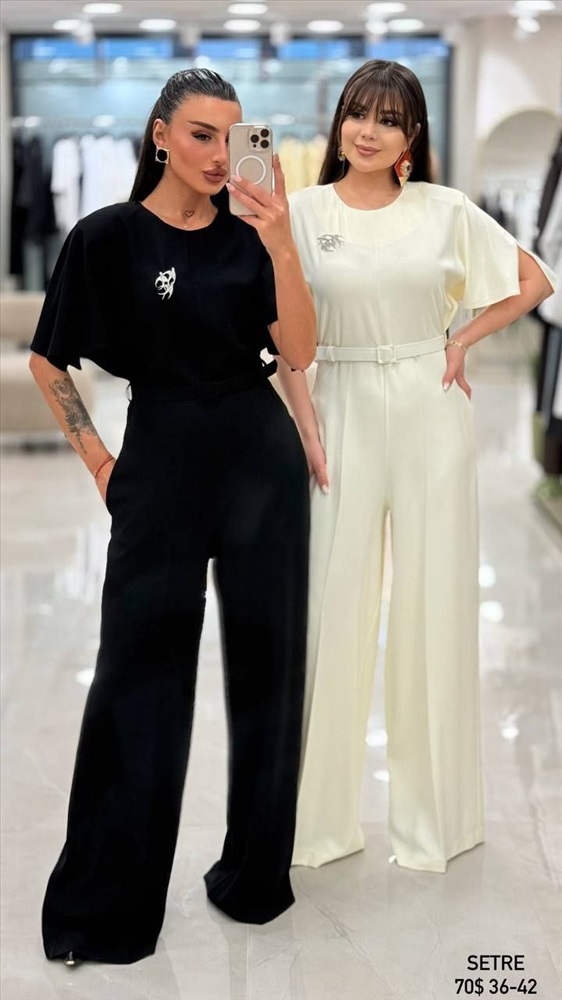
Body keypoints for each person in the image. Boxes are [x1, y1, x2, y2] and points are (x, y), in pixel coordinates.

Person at [29, 68, 316, 965]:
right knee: (137, 673)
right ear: (159, 135)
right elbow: (48, 360)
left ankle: (255, 876)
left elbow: (300, 349)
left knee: (269, 673)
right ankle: (105, 907)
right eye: (200, 134)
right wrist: (100, 463)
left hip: (260, 459)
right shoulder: (105, 237)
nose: (220, 154)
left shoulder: (255, 232)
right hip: (159, 460)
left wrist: (282, 243)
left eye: (232, 135)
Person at [277, 60, 556, 874]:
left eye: (390, 119)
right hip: (341, 403)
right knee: (330, 606)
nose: (369, 131)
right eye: (358, 114)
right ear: (339, 123)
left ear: (412, 137)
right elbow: (283, 332)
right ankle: (315, 823)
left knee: (435, 604)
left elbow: (533, 280)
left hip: (431, 404)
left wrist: (462, 338)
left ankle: (437, 823)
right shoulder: (301, 214)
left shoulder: (445, 209)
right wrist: (306, 426)